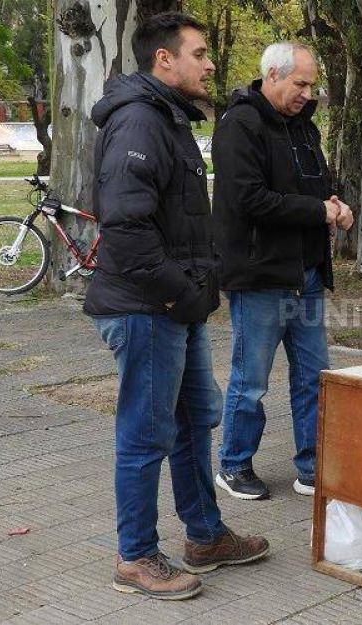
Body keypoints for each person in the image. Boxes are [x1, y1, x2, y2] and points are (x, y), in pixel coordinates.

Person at [85, 12, 269, 601]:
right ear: (164, 59)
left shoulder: (168, 117)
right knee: (146, 434)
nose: (210, 63)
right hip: (147, 307)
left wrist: (191, 292)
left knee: (193, 424)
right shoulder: (140, 121)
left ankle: (206, 536)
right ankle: (135, 557)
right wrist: (178, 292)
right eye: (200, 53)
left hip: (172, 306)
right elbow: (126, 227)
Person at [211, 42, 353, 501]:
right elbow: (248, 199)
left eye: (311, 85)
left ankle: (313, 465)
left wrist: (336, 207)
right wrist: (318, 211)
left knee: (315, 376)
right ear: (272, 75)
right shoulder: (239, 124)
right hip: (260, 276)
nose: (308, 93)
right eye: (301, 84)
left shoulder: (304, 128)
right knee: (250, 380)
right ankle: (233, 465)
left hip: (306, 275)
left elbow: (319, 189)